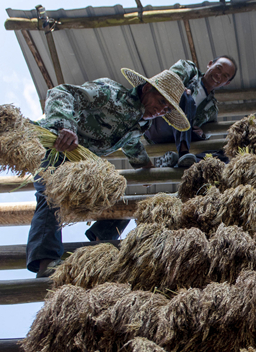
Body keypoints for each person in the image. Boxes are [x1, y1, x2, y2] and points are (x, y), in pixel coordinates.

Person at [28, 68, 190, 277]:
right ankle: (45, 262)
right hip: (57, 149)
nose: (161, 110)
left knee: (121, 195)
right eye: (160, 101)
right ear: (147, 88)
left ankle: (100, 236)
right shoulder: (110, 92)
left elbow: (133, 147)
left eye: (166, 109)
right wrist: (64, 126)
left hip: (81, 166)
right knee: (50, 196)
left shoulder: (137, 125)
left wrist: (147, 169)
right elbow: (61, 92)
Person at [146, 56, 237, 168]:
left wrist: (202, 134)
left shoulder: (212, 109)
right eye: (218, 68)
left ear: (226, 83)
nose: (219, 75)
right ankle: (183, 152)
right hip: (159, 123)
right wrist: (180, 89)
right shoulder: (189, 69)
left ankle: (174, 163)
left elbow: (206, 135)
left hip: (177, 138)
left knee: (225, 154)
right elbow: (169, 79)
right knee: (185, 98)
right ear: (209, 64)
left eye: (225, 76)